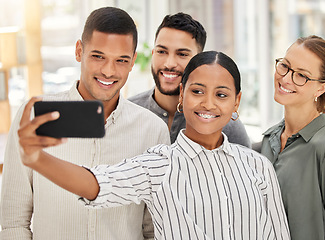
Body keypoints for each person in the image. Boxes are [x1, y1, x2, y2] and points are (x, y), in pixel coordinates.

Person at [18, 51, 290, 239]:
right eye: (197, 91)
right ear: (182, 94)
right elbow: (97, 184)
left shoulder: (258, 166)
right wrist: (37, 160)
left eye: (221, 94)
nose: (208, 103)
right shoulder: (159, 165)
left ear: (236, 102)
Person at [0, 7, 170, 239]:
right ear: (79, 50)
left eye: (121, 60)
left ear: (132, 62)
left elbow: (153, 229)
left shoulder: (153, 130)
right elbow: (14, 223)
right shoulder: (32, 118)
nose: (108, 71)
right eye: (98, 56)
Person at [260, 35, 325, 240]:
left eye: (302, 75)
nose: (286, 78)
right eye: (285, 66)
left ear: (323, 87)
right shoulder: (269, 139)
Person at [128, 13, 251, 147]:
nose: (169, 63)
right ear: (153, 54)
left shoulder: (225, 125)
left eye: (182, 54)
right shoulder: (127, 114)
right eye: (162, 52)